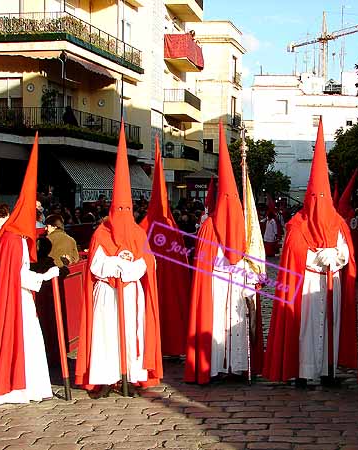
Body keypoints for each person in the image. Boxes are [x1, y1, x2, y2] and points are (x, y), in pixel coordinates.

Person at [263, 119, 357, 386]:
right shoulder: (296, 224)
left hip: (332, 281)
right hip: (306, 283)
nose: (319, 204)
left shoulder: (338, 222)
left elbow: (345, 251)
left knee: (332, 324)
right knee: (304, 326)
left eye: (323, 198)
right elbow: (293, 254)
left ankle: (329, 371)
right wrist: (317, 258)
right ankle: (303, 372)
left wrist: (335, 257)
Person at [75, 125, 162, 397]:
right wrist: (121, 267)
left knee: (131, 334)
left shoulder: (138, 232)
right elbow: (97, 265)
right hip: (107, 294)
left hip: (131, 294)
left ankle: (131, 375)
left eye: (127, 209)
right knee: (105, 335)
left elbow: (147, 263)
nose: (123, 213)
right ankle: (104, 376)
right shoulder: (100, 232)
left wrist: (126, 268)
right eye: (119, 209)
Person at [0, 133, 60, 406]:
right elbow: (20, 275)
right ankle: (19, 388)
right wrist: (46, 275)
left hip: (17, 298)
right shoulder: (16, 241)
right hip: (18, 299)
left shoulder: (13, 238)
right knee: (26, 340)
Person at [184, 122, 264, 385]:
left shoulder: (243, 222)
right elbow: (206, 260)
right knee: (217, 325)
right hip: (216, 287)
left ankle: (238, 367)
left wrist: (249, 274)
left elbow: (250, 253)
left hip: (237, 286)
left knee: (237, 327)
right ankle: (216, 367)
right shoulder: (208, 226)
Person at [140, 138, 192, 357]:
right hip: (170, 285)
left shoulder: (142, 228)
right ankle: (174, 345)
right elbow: (183, 261)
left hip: (150, 283)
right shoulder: (171, 227)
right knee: (171, 309)